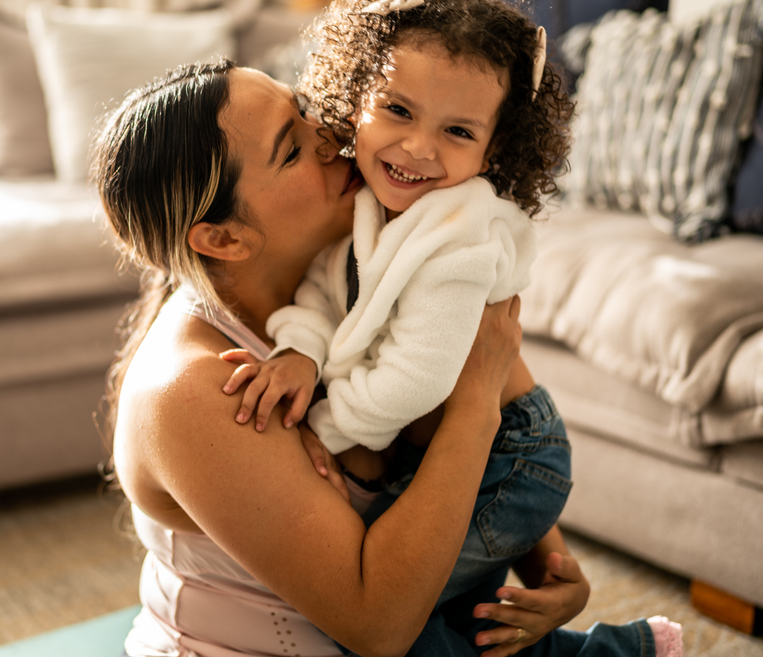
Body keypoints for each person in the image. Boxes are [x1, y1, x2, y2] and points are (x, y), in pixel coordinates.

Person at [93, 57, 679, 656]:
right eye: (291, 151)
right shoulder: (195, 389)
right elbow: (380, 626)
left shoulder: (379, 262)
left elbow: (507, 433)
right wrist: (474, 402)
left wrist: (552, 569)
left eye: (305, 111)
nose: (330, 137)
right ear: (223, 237)